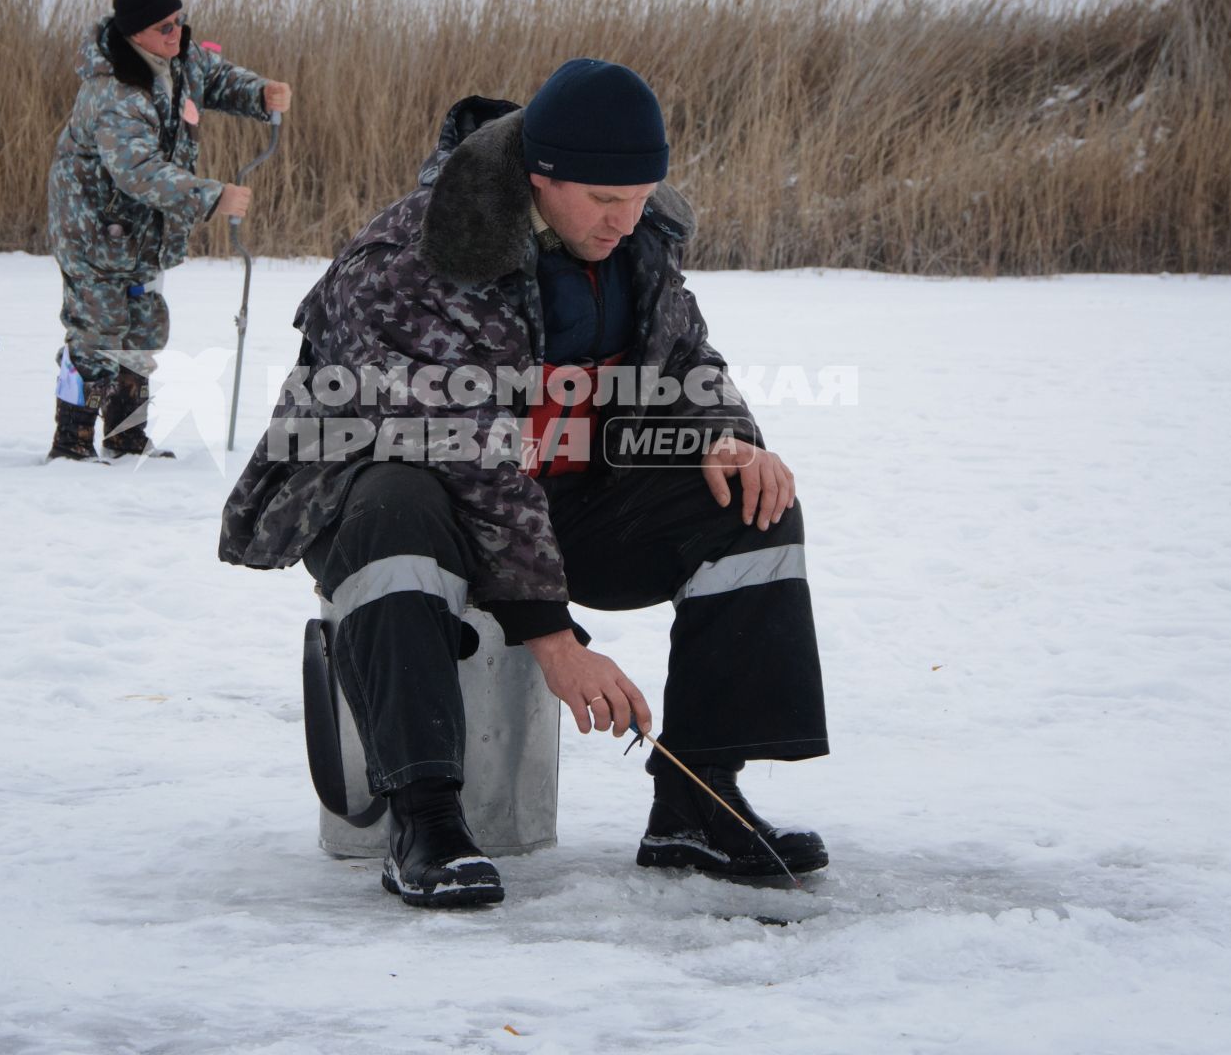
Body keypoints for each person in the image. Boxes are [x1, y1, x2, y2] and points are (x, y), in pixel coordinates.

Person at [220, 59, 828, 908]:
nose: (627, 221)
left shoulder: (635, 239)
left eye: (642, 197)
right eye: (605, 202)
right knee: (397, 501)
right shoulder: (414, 256)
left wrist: (726, 439)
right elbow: (465, 454)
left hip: (559, 502)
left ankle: (699, 800)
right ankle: (424, 816)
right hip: (402, 497)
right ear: (540, 176)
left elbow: (687, 358)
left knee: (754, 504)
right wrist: (554, 641)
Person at [47, 0, 291, 461]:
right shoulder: (113, 91)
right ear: (135, 32)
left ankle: (126, 437)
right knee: (96, 334)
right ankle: (71, 443)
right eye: (164, 26)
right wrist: (211, 197)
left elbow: (216, 79)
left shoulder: (180, 59)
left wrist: (261, 93)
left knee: (143, 329)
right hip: (94, 229)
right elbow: (136, 171)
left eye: (179, 20)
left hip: (142, 231)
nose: (176, 32)